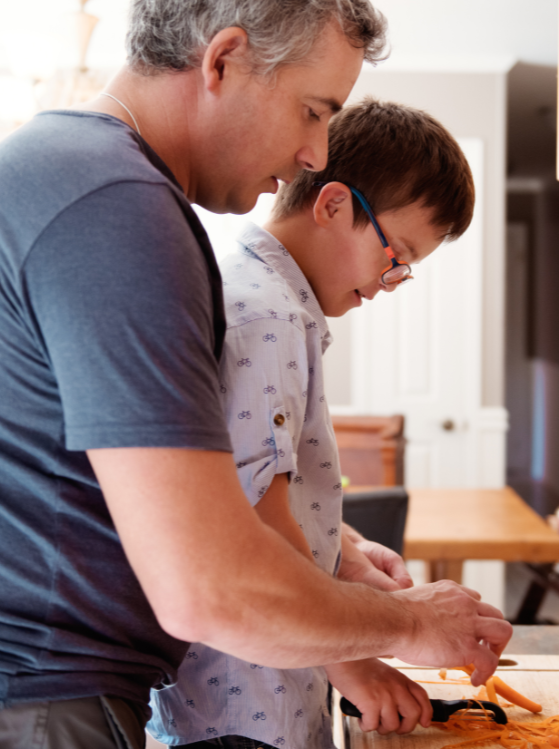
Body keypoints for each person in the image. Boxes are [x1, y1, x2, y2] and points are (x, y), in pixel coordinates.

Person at [0, 1, 512, 746]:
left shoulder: (77, 173)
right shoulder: (118, 213)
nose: (316, 153)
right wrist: (410, 624)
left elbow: (171, 487)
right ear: (221, 61)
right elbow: (209, 588)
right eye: (312, 111)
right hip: (3, 703)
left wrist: (336, 548)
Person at [149, 98, 477, 749]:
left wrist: (343, 548)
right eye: (397, 251)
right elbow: (253, 530)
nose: (394, 279)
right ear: (330, 205)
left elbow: (256, 480)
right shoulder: (266, 316)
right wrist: (355, 662)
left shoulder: (268, 299)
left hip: (254, 684)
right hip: (242, 701)